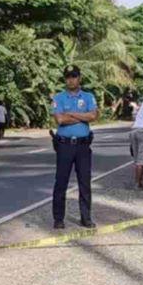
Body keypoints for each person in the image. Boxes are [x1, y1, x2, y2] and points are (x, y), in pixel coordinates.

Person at [50, 65, 98, 229]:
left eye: (74, 76)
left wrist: (71, 114)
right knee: (61, 182)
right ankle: (58, 218)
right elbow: (60, 120)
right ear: (65, 79)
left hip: (83, 146)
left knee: (85, 183)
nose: (71, 80)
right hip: (65, 146)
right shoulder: (59, 98)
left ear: (79, 78)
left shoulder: (89, 96)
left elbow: (93, 116)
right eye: (68, 77)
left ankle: (86, 217)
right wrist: (82, 117)